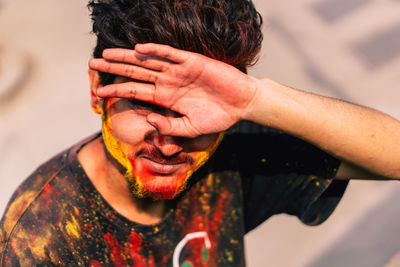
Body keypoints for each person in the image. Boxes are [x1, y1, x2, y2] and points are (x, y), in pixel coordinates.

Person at [1, 0, 400, 266]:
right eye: (146, 107)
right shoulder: (41, 241)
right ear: (97, 91)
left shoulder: (233, 149)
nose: (170, 143)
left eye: (192, 116)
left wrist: (256, 99)